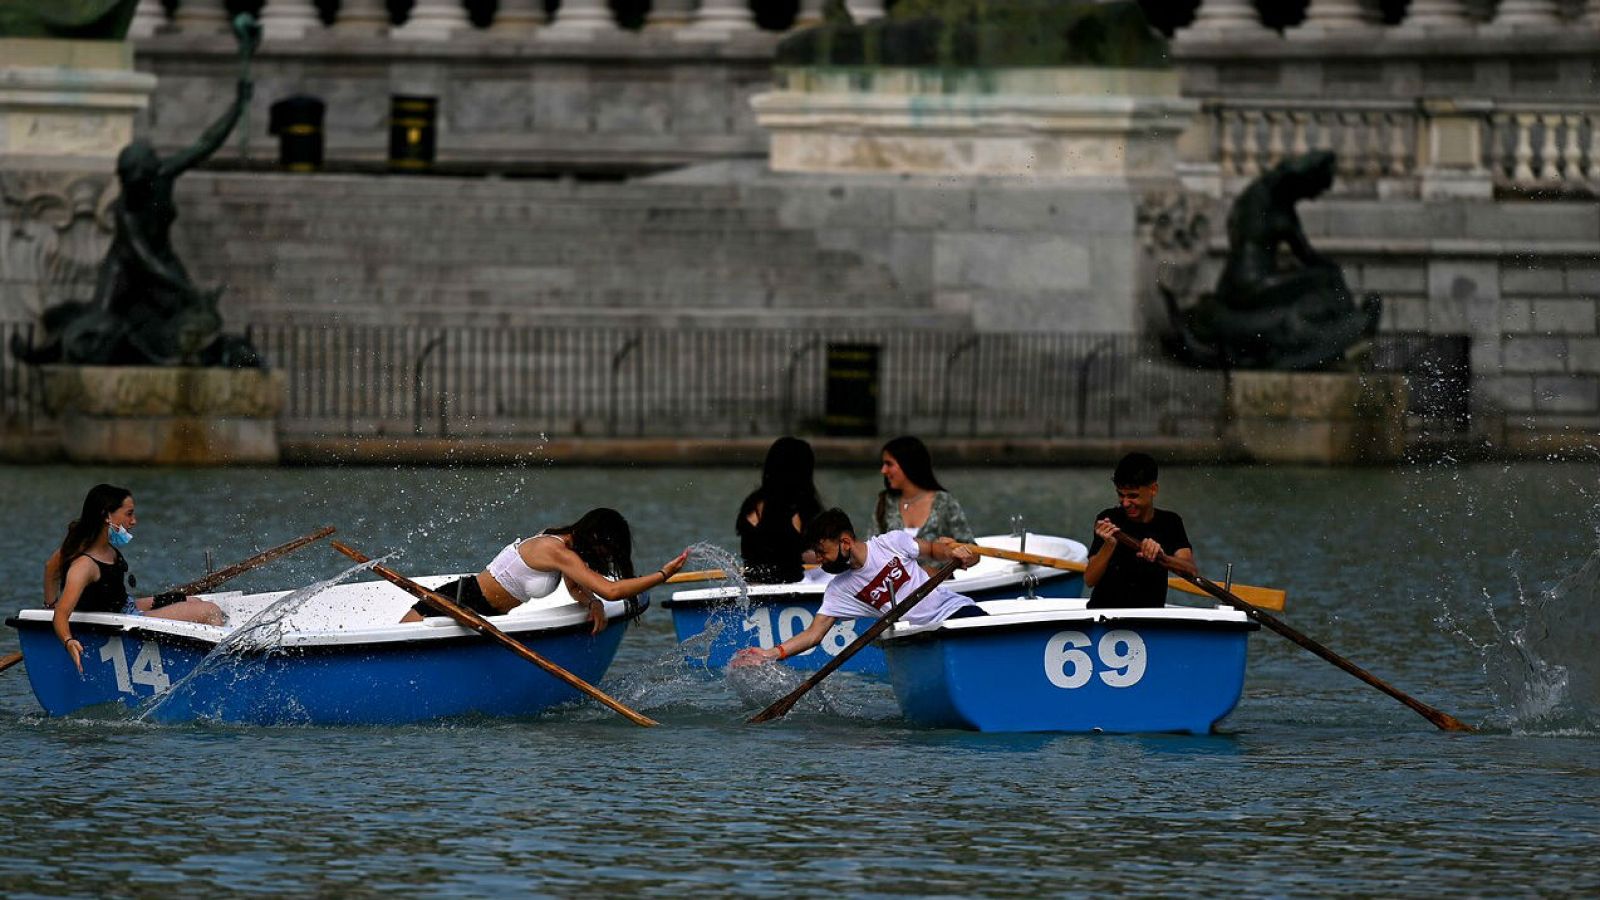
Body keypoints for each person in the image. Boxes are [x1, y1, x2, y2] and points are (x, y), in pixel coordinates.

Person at [733, 508, 980, 665]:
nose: (818, 560)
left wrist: (955, 551)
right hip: (922, 638)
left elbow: (935, 550)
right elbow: (813, 635)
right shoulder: (840, 589)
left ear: (846, 542)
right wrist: (772, 653)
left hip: (956, 612)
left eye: (822, 553)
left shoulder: (891, 543)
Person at [400, 508, 690, 633]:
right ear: (595, 537)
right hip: (456, 601)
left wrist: (590, 603)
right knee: (401, 641)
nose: (606, 557)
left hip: (486, 614)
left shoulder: (566, 550)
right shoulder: (556, 550)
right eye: (607, 550)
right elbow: (611, 590)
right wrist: (663, 575)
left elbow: (577, 586)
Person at [48, 484, 225, 676]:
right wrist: (67, 640)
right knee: (210, 611)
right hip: (126, 620)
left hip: (128, 606)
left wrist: (48, 601)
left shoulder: (91, 546)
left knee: (195, 601)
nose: (134, 521)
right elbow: (60, 615)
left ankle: (194, 658)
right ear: (107, 516)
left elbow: (50, 568)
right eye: (129, 514)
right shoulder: (84, 566)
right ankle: (215, 672)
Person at [1083, 453, 1197, 609]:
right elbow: (1090, 580)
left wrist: (1162, 558)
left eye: (1133, 496)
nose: (1125, 503)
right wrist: (1109, 544)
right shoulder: (1108, 520)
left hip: (1148, 620)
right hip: (1105, 616)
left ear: (1153, 489)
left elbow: (1191, 570)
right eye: (1120, 495)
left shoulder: (1170, 522)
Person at [736, 436, 824, 584]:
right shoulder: (800, 507)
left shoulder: (751, 504)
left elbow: (765, 551)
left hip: (752, 585)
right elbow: (818, 554)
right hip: (789, 587)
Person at [872, 435, 975, 544]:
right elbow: (871, 548)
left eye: (889, 464)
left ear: (908, 464)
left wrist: (957, 551)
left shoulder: (944, 502)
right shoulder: (885, 502)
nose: (883, 470)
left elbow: (971, 549)